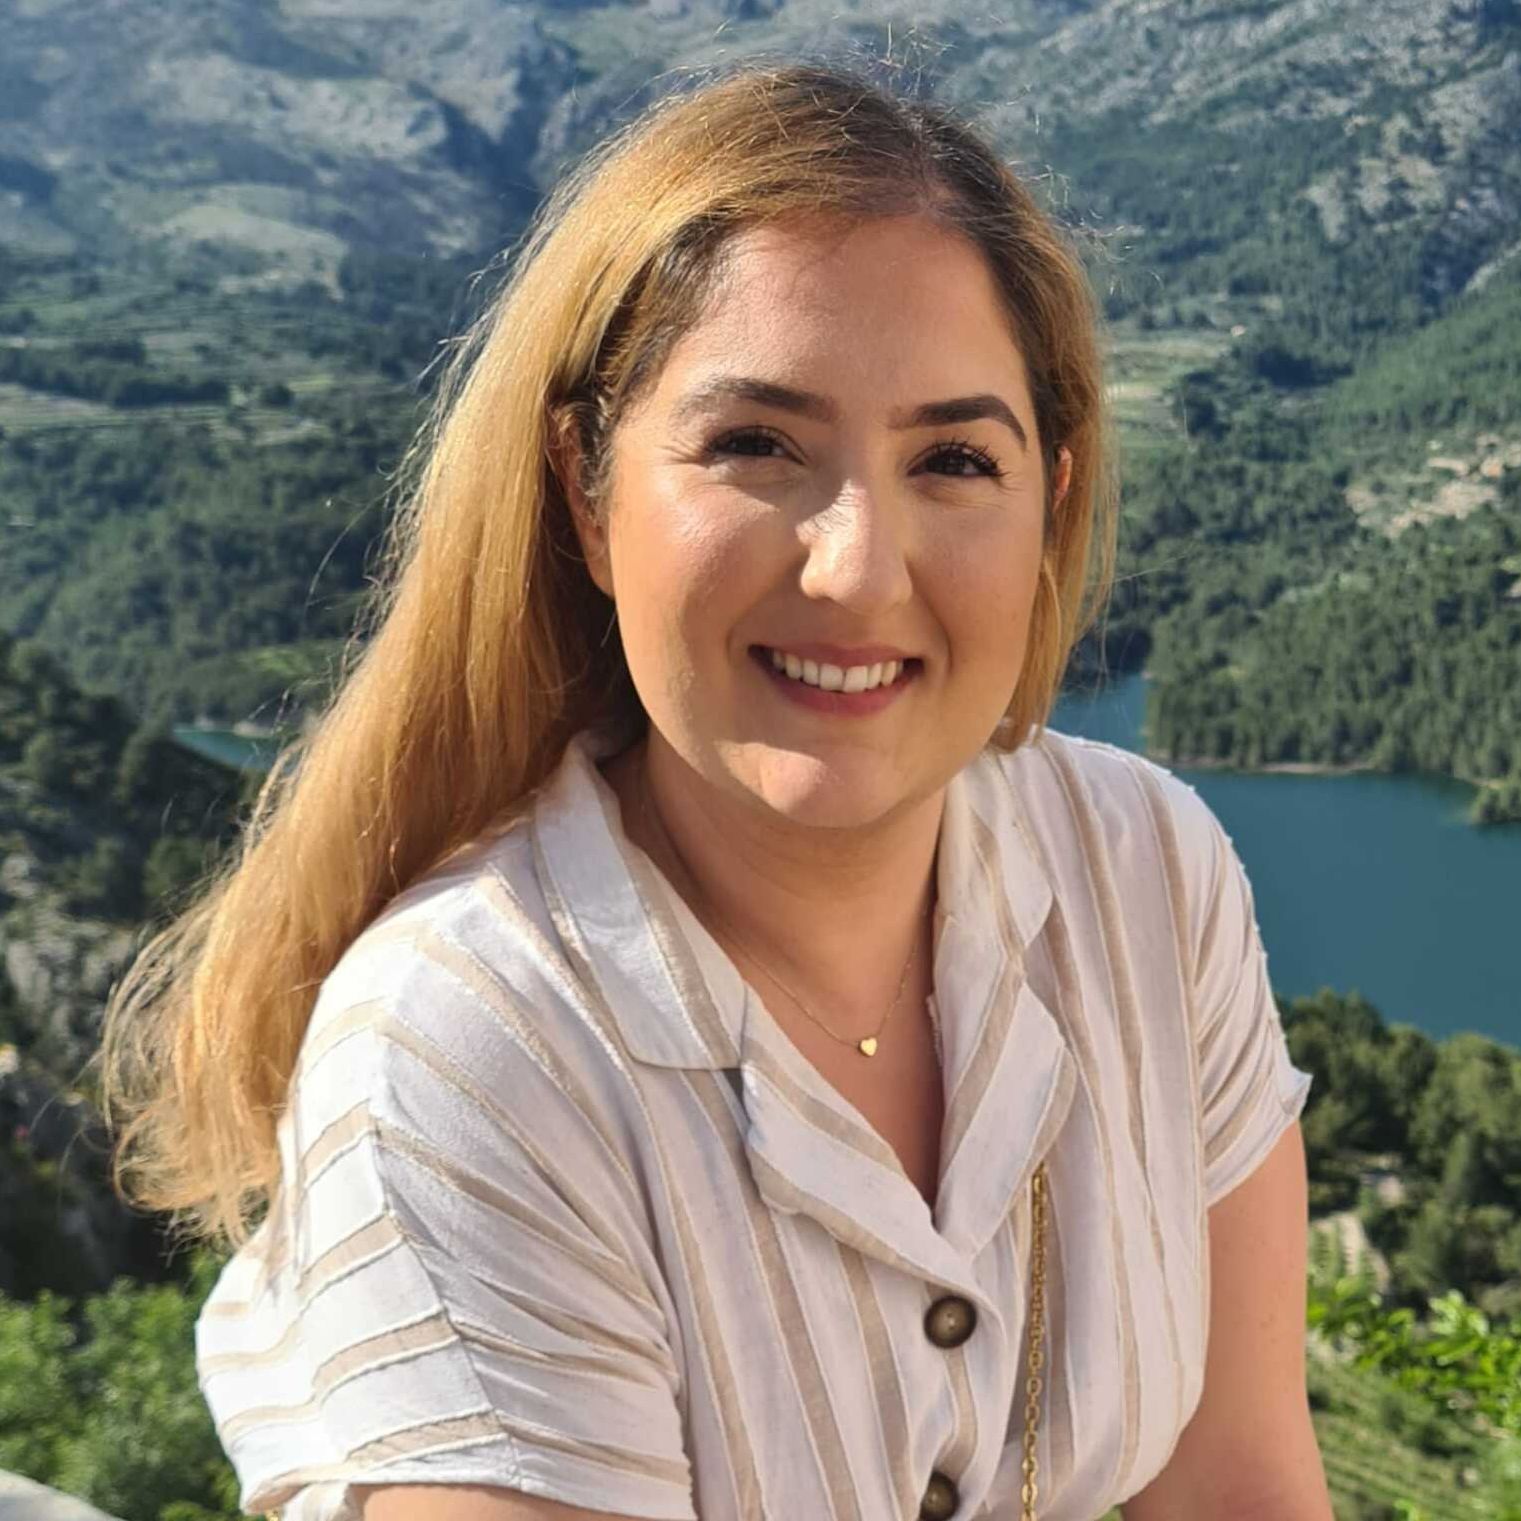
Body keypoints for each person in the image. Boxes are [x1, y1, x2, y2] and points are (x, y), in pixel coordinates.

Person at [98, 58, 1333, 1521]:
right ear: (585, 488)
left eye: (953, 459)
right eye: (756, 446)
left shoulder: (1144, 872)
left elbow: (1239, 1486)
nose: (857, 569)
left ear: (1050, 503)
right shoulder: (473, 1052)